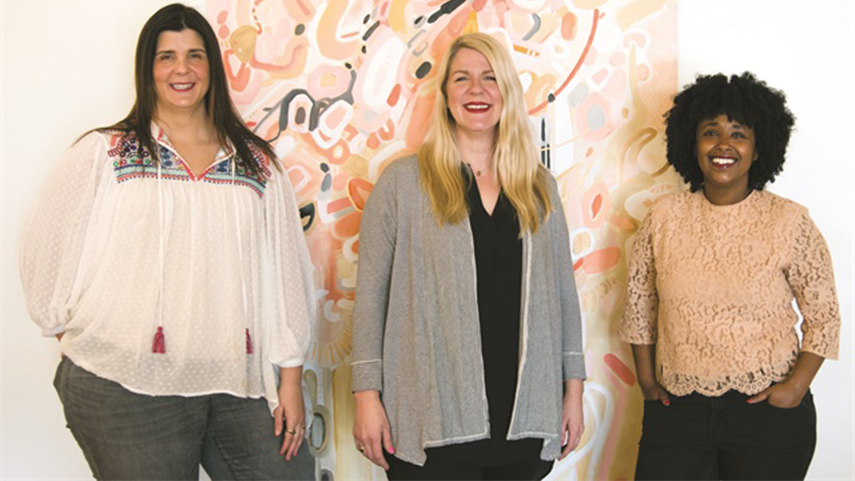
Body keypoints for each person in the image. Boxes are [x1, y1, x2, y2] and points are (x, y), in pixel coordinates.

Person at [19, 4, 316, 479]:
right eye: (167, 57)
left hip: (238, 379)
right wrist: (83, 339)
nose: (182, 69)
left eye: (195, 55)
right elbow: (46, 246)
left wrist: (291, 378)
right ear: (148, 68)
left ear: (212, 67)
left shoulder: (257, 164)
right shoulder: (106, 153)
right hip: (127, 385)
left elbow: (287, 273)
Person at [350, 33, 586, 480]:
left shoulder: (539, 188)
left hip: (523, 426)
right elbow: (370, 300)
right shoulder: (402, 183)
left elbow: (563, 298)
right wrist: (366, 396)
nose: (476, 89)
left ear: (507, 92)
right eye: (462, 78)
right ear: (444, 95)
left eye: (490, 78)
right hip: (430, 424)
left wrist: (573, 392)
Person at [620, 72, 841, 480]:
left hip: (766, 417)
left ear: (759, 149)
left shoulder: (790, 221)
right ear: (692, 143)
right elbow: (639, 306)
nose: (723, 144)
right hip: (677, 411)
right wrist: (647, 383)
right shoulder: (663, 218)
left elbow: (824, 315)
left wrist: (794, 388)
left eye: (738, 134)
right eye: (711, 132)